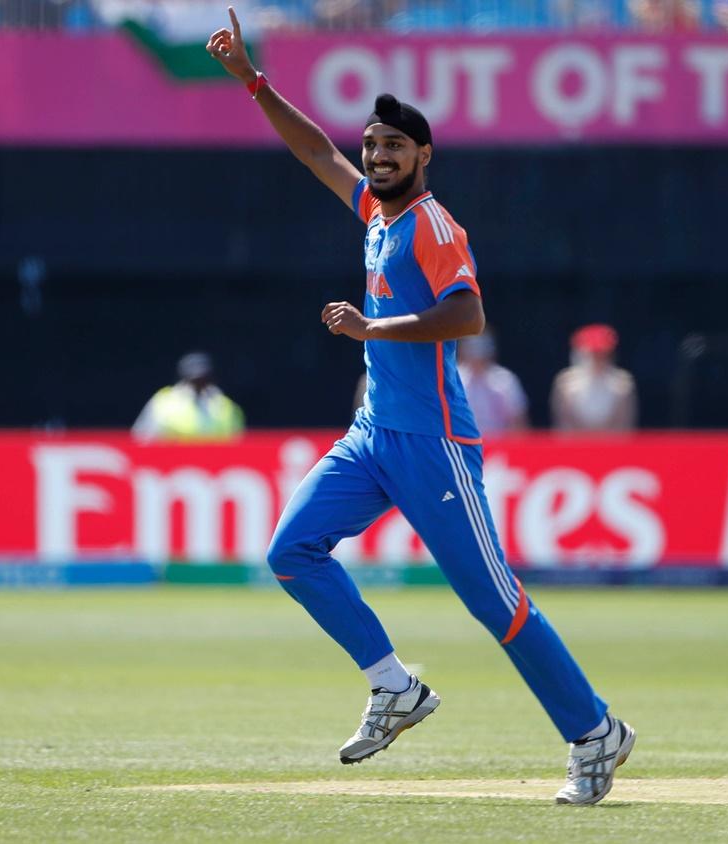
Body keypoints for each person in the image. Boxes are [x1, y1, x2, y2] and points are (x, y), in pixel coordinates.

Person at [207, 8, 634, 806]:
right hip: (373, 438)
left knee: (495, 604)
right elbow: (314, 151)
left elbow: (466, 315)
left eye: (392, 148)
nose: (374, 157)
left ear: (422, 156)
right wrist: (253, 82)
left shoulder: (433, 225)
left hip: (433, 444)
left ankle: (594, 732)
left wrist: (375, 327)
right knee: (291, 552)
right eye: (371, 146)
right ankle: (393, 686)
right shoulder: (374, 212)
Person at [131, 352, 245, 441]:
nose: (198, 386)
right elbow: (142, 438)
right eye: (194, 381)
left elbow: (237, 442)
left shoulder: (226, 407)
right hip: (172, 464)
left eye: (203, 380)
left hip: (214, 465)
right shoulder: (163, 402)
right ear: (183, 378)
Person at [550, 324, 638, 432]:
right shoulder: (565, 385)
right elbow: (563, 425)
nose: (596, 359)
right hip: (576, 445)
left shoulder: (623, 385)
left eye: (601, 354)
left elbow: (624, 426)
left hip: (611, 446)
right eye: (592, 354)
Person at [457, 327, 528, 436]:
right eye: (472, 347)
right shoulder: (456, 379)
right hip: (464, 444)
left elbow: (518, 421)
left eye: (481, 347)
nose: (476, 353)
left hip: (499, 448)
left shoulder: (505, 380)